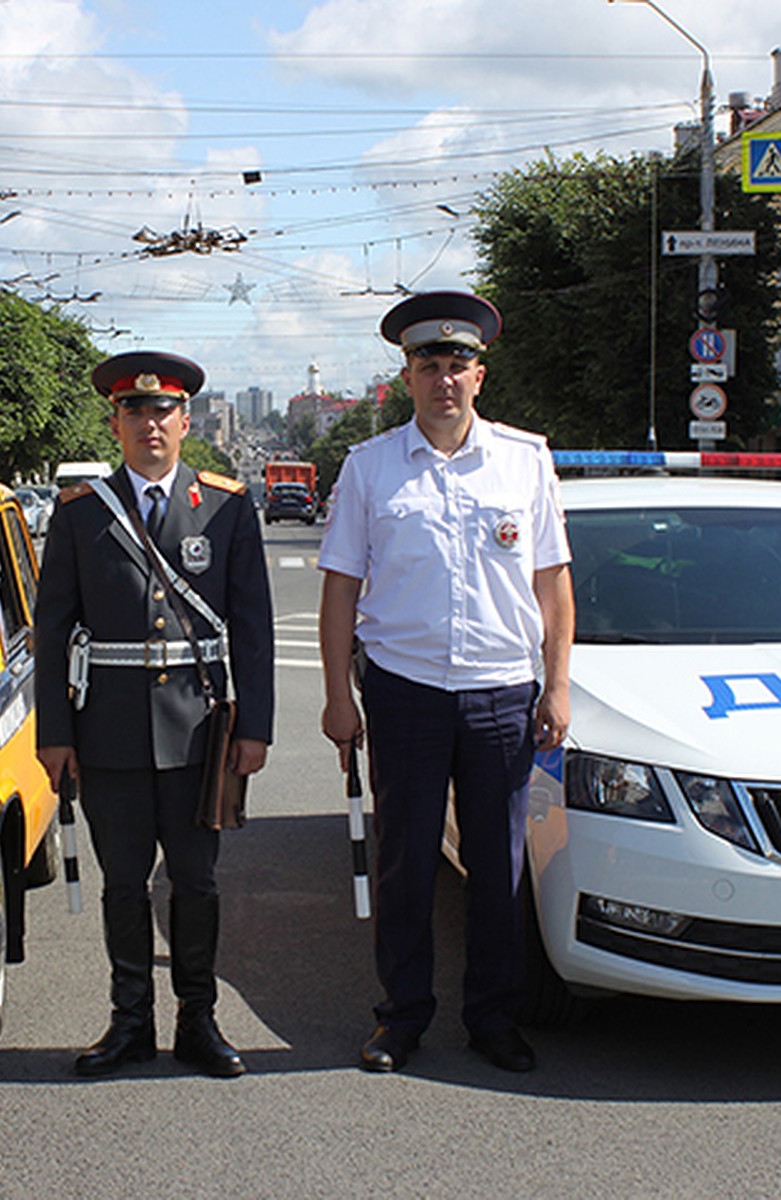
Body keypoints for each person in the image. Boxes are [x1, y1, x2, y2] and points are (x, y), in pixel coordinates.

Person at [318, 291, 574, 1074]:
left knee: (499, 868)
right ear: (408, 375)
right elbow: (339, 590)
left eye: (456, 364)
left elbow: (554, 585)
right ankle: (400, 1017)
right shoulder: (370, 469)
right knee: (405, 862)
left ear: (479, 376)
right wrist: (337, 696)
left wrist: (557, 685)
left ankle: (493, 1017)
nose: (443, 378)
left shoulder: (524, 461)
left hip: (501, 691)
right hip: (406, 689)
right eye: (428, 364)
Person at [34, 349, 275, 1079]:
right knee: (123, 884)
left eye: (163, 410)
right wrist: (54, 733)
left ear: (186, 420)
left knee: (197, 884)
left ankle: (197, 1021)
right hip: (107, 730)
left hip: (200, 731)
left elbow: (254, 624)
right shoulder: (81, 514)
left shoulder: (226, 506)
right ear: (115, 424)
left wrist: (256, 726)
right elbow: (51, 630)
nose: (150, 424)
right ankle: (129, 1021)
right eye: (135, 412)